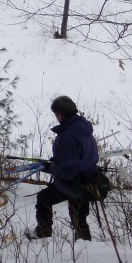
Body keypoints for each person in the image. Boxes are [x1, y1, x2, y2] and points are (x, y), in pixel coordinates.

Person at [25, 96, 100, 241]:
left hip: (74, 182)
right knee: (79, 214)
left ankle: (43, 231)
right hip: (90, 179)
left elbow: (70, 167)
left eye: (56, 114)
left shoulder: (68, 135)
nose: (56, 117)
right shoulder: (83, 129)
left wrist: (52, 168)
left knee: (43, 199)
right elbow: (77, 157)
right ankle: (84, 241)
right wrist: (56, 162)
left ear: (60, 113)